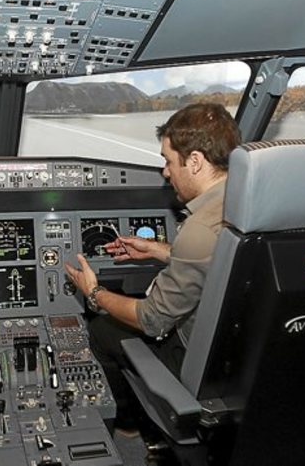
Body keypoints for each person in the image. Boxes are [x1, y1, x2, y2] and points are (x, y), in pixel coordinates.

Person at [64, 103, 241, 435]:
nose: (165, 172)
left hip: (200, 362)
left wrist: (94, 292)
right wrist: (159, 250)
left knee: (102, 331)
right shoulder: (250, 202)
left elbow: (152, 320)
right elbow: (224, 260)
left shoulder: (200, 228)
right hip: (244, 356)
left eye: (168, 161)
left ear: (195, 161)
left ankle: (133, 424)